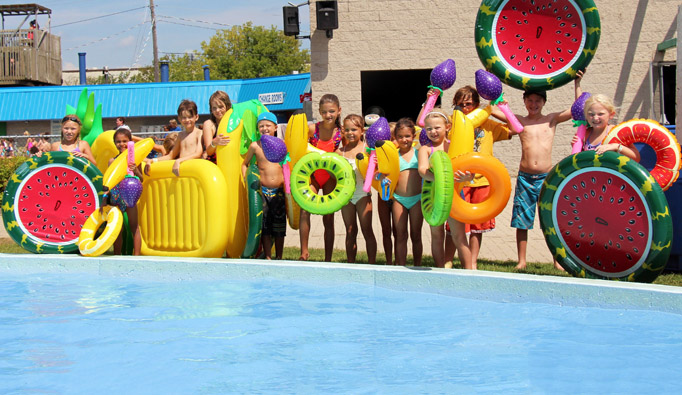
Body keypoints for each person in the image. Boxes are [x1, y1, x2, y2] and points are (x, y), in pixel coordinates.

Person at [503, 78, 582, 270]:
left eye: (538, 101)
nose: (534, 104)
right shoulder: (519, 121)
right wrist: (496, 88)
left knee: (551, 220)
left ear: (544, 102)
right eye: (530, 100)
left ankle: (557, 260)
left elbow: (576, 109)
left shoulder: (551, 119)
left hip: (547, 178)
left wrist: (577, 83)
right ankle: (521, 260)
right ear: (524, 102)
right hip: (525, 178)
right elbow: (496, 110)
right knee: (522, 221)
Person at [451, 86, 515, 269]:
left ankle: (472, 262)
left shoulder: (488, 125)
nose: (465, 108)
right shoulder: (453, 122)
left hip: (482, 181)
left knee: (478, 227)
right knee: (455, 226)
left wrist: (496, 108)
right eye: (461, 104)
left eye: (469, 104)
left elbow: (515, 128)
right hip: (459, 181)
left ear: (477, 105)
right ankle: (449, 260)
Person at [417, 108, 472, 268]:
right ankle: (440, 269)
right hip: (434, 197)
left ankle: (469, 271)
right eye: (429, 129)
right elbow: (422, 171)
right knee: (436, 235)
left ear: (447, 127)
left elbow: (469, 170)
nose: (433, 131)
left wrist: (467, 177)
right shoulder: (425, 149)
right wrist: (441, 178)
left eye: (437, 127)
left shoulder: (454, 147)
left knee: (459, 236)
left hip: (454, 195)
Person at [299, 94, 343, 261]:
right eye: (324, 112)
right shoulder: (312, 129)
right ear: (319, 112)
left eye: (332, 111)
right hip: (314, 176)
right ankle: (304, 252)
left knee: (328, 217)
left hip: (330, 177)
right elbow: (299, 147)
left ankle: (328, 257)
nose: (328, 115)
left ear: (339, 111)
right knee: (304, 210)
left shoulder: (341, 133)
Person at [242, 112, 286, 260]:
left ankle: (279, 256)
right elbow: (245, 164)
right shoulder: (255, 146)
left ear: (275, 127)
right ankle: (268, 256)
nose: (264, 128)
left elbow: (287, 166)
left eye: (268, 125)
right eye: (261, 126)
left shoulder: (282, 145)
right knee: (265, 227)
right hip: (263, 192)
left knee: (279, 227)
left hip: (279, 191)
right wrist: (245, 179)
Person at [571, 71, 640, 161]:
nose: (595, 118)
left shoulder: (616, 132)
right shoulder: (586, 133)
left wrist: (616, 146)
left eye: (600, 114)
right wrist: (577, 147)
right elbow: (580, 106)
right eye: (591, 114)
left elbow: (636, 157)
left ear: (611, 115)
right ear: (586, 116)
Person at [337, 114, 377, 264]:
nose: (350, 133)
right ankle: (350, 263)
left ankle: (372, 263)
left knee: (367, 230)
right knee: (350, 231)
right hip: (346, 196)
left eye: (354, 129)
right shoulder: (340, 152)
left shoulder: (368, 149)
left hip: (363, 194)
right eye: (346, 129)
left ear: (362, 131)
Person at [105, 128, 143, 255]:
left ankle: (136, 256)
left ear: (131, 142)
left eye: (125, 141)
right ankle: (117, 255)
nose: (121, 144)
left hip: (130, 196)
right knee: (118, 229)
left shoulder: (136, 160)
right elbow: (109, 182)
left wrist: (135, 170)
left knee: (134, 227)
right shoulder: (112, 161)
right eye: (118, 141)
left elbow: (141, 179)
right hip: (116, 196)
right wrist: (105, 198)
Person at [392, 117, 423, 266]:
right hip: (399, 199)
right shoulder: (393, 155)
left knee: (416, 235)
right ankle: (400, 265)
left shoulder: (420, 154)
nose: (404, 140)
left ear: (414, 136)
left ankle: (417, 265)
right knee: (400, 235)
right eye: (400, 137)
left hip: (417, 199)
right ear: (395, 137)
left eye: (407, 136)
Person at [365, 105, 394, 265]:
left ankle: (399, 261)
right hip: (382, 192)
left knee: (398, 230)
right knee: (386, 230)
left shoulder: (393, 143)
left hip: (396, 193)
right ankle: (389, 262)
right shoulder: (367, 145)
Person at [145, 100, 203, 176]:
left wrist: (179, 161)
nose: (187, 120)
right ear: (179, 119)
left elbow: (198, 154)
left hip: (193, 171)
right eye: (184, 118)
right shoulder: (180, 135)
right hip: (183, 172)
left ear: (196, 117)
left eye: (190, 117)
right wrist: (152, 161)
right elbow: (170, 156)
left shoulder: (199, 133)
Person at [203, 90, 232, 163]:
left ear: (227, 106)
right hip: (215, 163)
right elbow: (209, 152)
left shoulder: (233, 122)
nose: (217, 110)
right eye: (214, 108)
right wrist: (214, 143)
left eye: (221, 107)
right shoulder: (209, 124)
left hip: (230, 161)